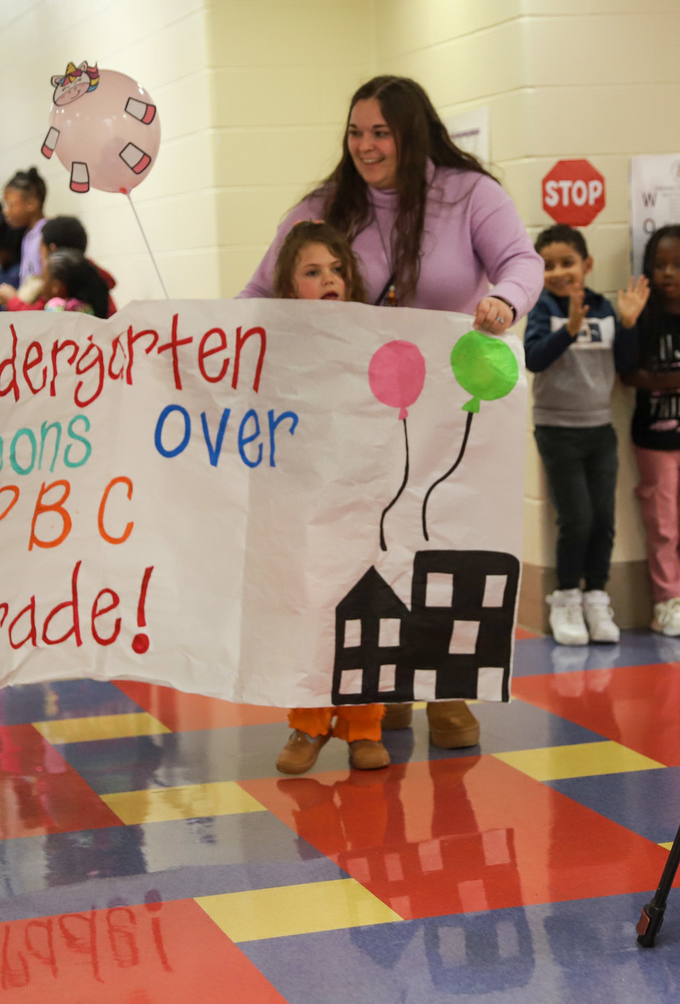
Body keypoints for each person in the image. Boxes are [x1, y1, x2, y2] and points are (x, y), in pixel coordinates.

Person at [240, 75, 544, 750]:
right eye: (355, 132)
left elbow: (521, 261)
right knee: (371, 545)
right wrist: (206, 343)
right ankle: (389, 684)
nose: (365, 146)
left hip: (446, 406)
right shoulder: (326, 206)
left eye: (381, 132)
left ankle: (448, 692)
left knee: (442, 534)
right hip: (353, 416)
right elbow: (261, 291)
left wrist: (506, 302)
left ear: (413, 132)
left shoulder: (469, 195)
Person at [269, 221, 387, 773]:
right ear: (291, 288)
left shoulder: (373, 334)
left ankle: (364, 723)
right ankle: (308, 723)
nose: (329, 280)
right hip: (305, 504)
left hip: (363, 500)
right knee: (311, 611)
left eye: (337, 270)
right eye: (313, 272)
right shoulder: (281, 347)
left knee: (365, 608)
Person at [525, 225, 649, 646]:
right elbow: (534, 358)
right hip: (557, 431)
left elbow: (626, 365)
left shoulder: (604, 309)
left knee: (603, 519)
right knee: (575, 518)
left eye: (567, 263)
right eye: (547, 266)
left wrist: (629, 323)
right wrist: (569, 329)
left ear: (587, 265)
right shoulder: (542, 308)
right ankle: (565, 599)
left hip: (599, 430)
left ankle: (597, 595)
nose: (558, 272)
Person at [621, 225, 680, 637]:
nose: (668, 273)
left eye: (677, 265)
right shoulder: (646, 317)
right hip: (656, 438)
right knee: (663, 525)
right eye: (660, 265)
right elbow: (628, 374)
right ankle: (666, 602)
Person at [0, 215, 117, 315]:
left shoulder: (56, 294)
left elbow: (36, 319)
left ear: (52, 250)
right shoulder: (99, 280)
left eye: (41, 250)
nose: (40, 257)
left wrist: (12, 301)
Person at [0, 167, 47, 305]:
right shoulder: (28, 234)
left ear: (31, 204)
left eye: (10, 205)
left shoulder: (45, 234)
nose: (5, 211)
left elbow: (42, 282)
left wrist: (16, 299)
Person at [40, 247, 111, 318]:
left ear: (57, 286)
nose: (40, 285)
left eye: (43, 278)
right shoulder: (91, 311)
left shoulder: (55, 307)